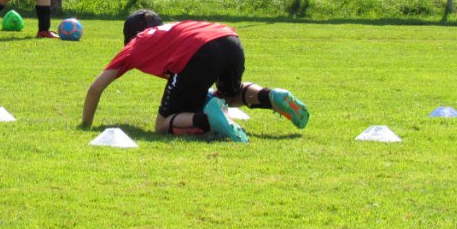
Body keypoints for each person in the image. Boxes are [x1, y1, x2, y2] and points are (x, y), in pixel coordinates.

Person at [81, 10, 309, 142]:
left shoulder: (135, 45)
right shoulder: (171, 29)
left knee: (162, 125)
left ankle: (211, 121)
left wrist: (86, 125)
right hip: (229, 38)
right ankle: (271, 96)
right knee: (228, 95)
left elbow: (95, 88)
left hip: (199, 51)